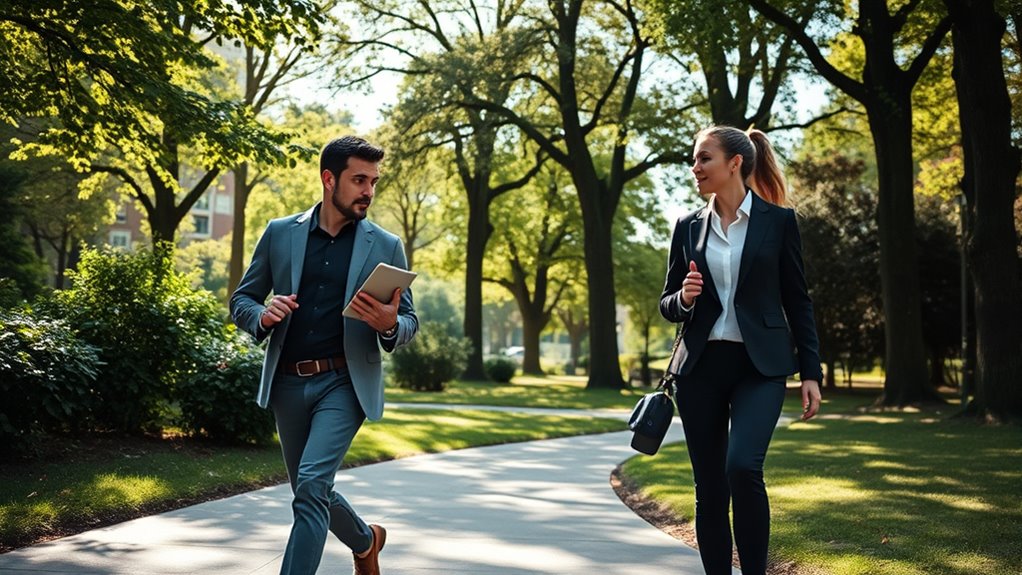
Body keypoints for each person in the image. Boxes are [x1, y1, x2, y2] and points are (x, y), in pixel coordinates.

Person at [231, 135, 418, 575]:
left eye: (373, 182)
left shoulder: (385, 245)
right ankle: (366, 541)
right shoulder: (280, 233)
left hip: (345, 383)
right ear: (329, 179)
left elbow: (408, 321)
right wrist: (263, 314)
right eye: (359, 180)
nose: (369, 191)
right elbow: (242, 300)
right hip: (287, 382)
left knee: (312, 485)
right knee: (310, 490)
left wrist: (389, 324)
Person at [659, 126, 823, 575]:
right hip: (701, 369)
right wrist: (685, 298)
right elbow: (667, 302)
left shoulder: (779, 222)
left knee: (743, 468)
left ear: (735, 163)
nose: (694, 168)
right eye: (694, 160)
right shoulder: (688, 226)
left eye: (704, 158)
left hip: (760, 368)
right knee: (710, 489)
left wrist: (811, 372)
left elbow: (798, 300)